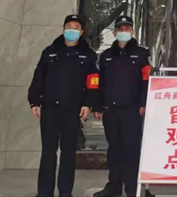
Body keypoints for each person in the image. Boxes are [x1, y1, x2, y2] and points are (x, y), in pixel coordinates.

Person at [28, 14, 99, 197]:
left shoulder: (88, 55)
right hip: (50, 109)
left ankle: (65, 192)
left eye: (76, 28)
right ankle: (44, 192)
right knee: (48, 152)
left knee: (68, 153)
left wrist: (88, 104)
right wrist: (34, 101)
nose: (71, 31)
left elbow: (93, 82)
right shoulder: (50, 52)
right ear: (63, 29)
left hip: (72, 110)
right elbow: (38, 77)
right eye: (69, 27)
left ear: (81, 32)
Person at [93, 15, 151, 197]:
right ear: (115, 32)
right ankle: (114, 186)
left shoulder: (141, 54)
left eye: (127, 29)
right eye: (120, 29)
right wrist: (97, 106)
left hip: (132, 110)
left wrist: (143, 103)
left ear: (132, 31)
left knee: (131, 149)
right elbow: (100, 83)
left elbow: (146, 81)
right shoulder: (106, 55)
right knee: (114, 149)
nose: (123, 32)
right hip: (110, 110)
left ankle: (132, 188)